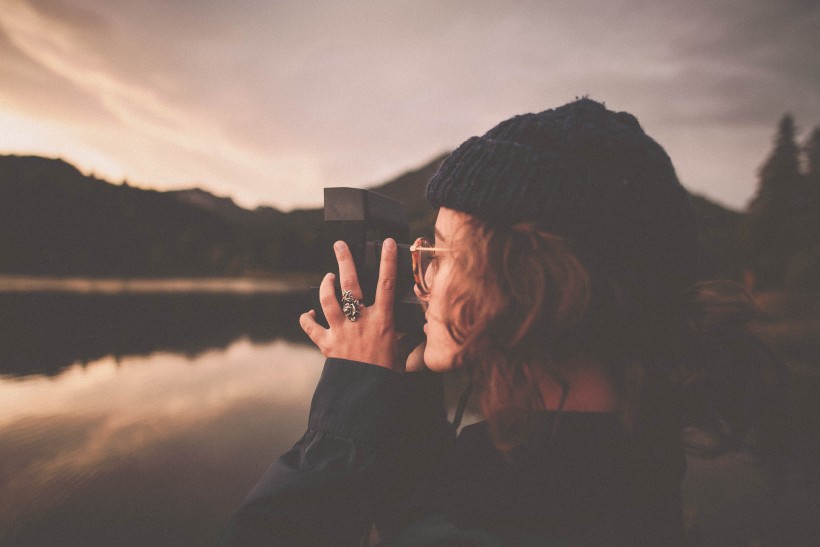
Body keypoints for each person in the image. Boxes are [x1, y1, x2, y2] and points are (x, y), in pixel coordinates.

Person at [222, 98, 699, 545]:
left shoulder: (514, 503)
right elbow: (422, 511)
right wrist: (391, 383)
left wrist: (341, 425)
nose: (424, 275)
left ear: (526, 276)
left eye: (443, 249)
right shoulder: (630, 454)